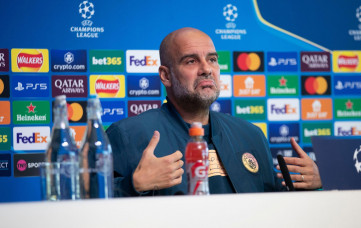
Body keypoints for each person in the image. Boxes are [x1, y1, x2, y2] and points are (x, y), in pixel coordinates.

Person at [106, 27, 322, 196]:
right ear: (166, 76)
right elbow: (89, 204)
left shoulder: (251, 135)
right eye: (191, 61)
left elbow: (276, 208)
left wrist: (311, 185)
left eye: (212, 59)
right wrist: (133, 185)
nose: (206, 69)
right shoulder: (126, 135)